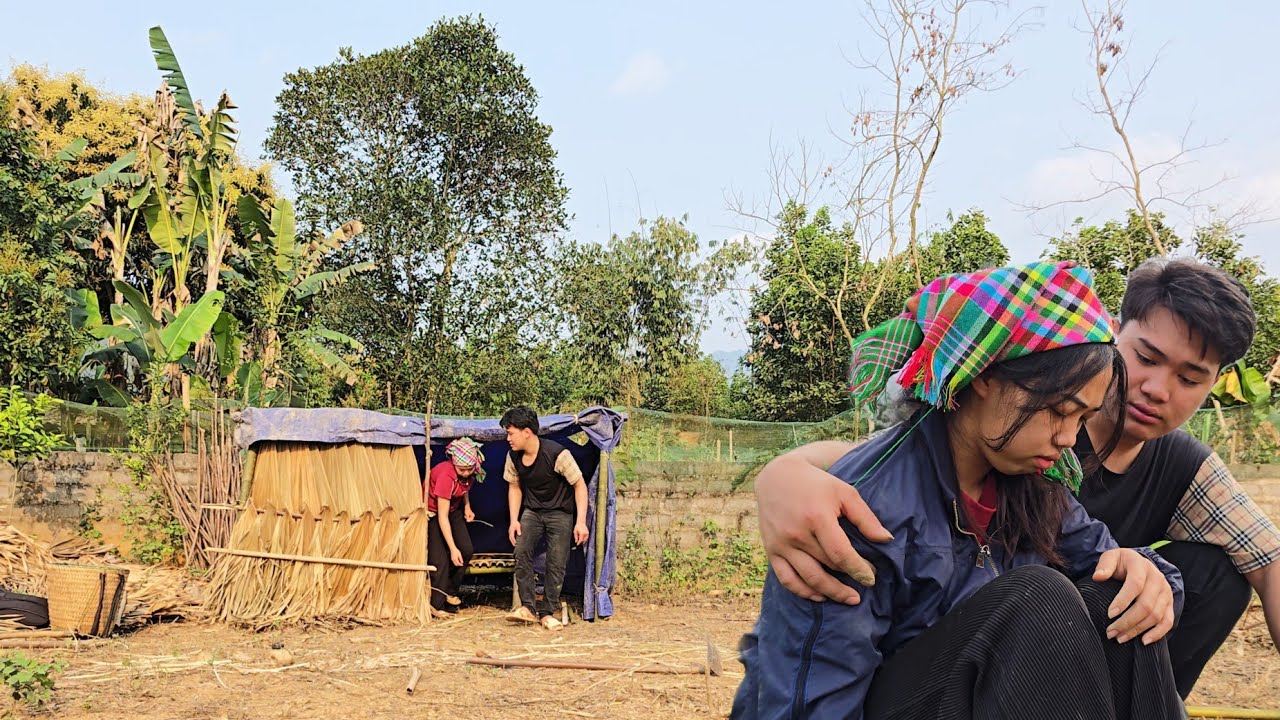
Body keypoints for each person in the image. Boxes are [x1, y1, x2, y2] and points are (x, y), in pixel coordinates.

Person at [754, 257, 1280, 698]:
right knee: (1037, 595)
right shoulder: (1002, 417)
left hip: (1037, 667)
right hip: (944, 674)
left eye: (1189, 379)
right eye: (1146, 358)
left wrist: (1145, 572)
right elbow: (888, 462)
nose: (1158, 389)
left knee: (1146, 585)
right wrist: (782, 472)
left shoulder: (1055, 475)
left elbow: (1267, 559)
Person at [500, 406, 590, 630]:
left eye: (511, 433)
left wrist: (580, 522)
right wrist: (514, 520)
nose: (508, 438)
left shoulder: (557, 454)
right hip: (532, 512)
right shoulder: (513, 456)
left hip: (561, 513)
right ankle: (528, 608)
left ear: (527, 432)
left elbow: (579, 485)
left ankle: (547, 612)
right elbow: (514, 487)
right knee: (521, 551)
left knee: (556, 561)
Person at [425, 437, 483, 613]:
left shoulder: (470, 473)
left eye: (469, 469)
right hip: (434, 513)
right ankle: (437, 606)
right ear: (453, 463)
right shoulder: (446, 476)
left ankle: (450, 592)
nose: (466, 473)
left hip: (453, 509)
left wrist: (467, 506)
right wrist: (452, 548)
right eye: (462, 469)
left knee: (466, 550)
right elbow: (442, 517)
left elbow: (464, 487)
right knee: (440, 560)